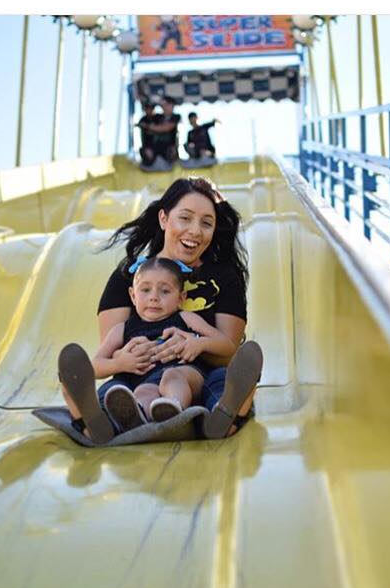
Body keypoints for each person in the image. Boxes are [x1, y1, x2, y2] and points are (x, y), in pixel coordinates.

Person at [57, 176, 263, 444]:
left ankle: (227, 415)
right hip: (137, 379)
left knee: (221, 380)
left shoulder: (224, 277)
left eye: (206, 223)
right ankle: (93, 420)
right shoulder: (130, 275)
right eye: (185, 218)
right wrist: (132, 355)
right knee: (115, 390)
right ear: (164, 219)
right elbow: (111, 349)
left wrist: (195, 343)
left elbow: (228, 352)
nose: (195, 231)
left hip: (195, 376)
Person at [89, 257, 236, 428]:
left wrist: (199, 343)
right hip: (145, 382)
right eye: (145, 290)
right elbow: (94, 367)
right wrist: (119, 364)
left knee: (171, 377)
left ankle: (175, 411)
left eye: (165, 291)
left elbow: (227, 346)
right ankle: (141, 419)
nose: (154, 298)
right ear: (133, 295)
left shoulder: (186, 318)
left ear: (181, 297)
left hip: (186, 375)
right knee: (142, 392)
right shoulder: (122, 329)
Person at [146, 96, 180, 163]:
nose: (163, 106)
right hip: (155, 147)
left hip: (169, 148)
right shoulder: (156, 117)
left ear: (171, 105)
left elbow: (166, 128)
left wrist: (151, 127)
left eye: (166, 104)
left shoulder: (175, 117)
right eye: (162, 105)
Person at [136, 101, 158, 167]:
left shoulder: (157, 118)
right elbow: (139, 124)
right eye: (147, 108)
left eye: (150, 108)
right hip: (147, 145)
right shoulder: (143, 119)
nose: (149, 110)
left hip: (156, 145)